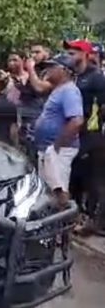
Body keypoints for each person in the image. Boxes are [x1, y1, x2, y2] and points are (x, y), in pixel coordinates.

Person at [63, 39, 105, 235]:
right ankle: (76, 217)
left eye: (73, 53)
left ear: (86, 55)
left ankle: (93, 221)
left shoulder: (96, 78)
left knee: (93, 181)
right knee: (75, 179)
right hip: (74, 135)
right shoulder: (73, 78)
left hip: (92, 136)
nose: (69, 56)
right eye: (68, 53)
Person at [34, 53, 84, 208]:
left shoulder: (69, 91)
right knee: (50, 190)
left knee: (59, 190)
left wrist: (57, 145)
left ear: (64, 70)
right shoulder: (59, 90)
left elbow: (77, 121)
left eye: (52, 66)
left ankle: (65, 227)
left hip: (59, 149)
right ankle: (56, 227)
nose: (47, 70)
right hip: (49, 148)